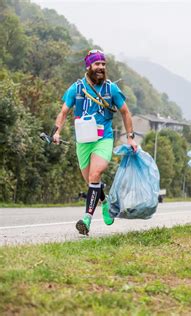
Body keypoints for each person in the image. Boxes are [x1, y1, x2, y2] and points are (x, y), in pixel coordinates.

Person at [53, 49, 138, 236]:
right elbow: (64, 111)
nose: (101, 68)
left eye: (103, 64)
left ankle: (86, 220)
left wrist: (130, 137)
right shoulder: (76, 88)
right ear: (89, 66)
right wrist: (57, 131)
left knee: (95, 174)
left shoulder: (111, 89)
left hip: (103, 139)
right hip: (83, 141)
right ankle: (105, 201)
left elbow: (125, 112)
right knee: (92, 181)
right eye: (97, 64)